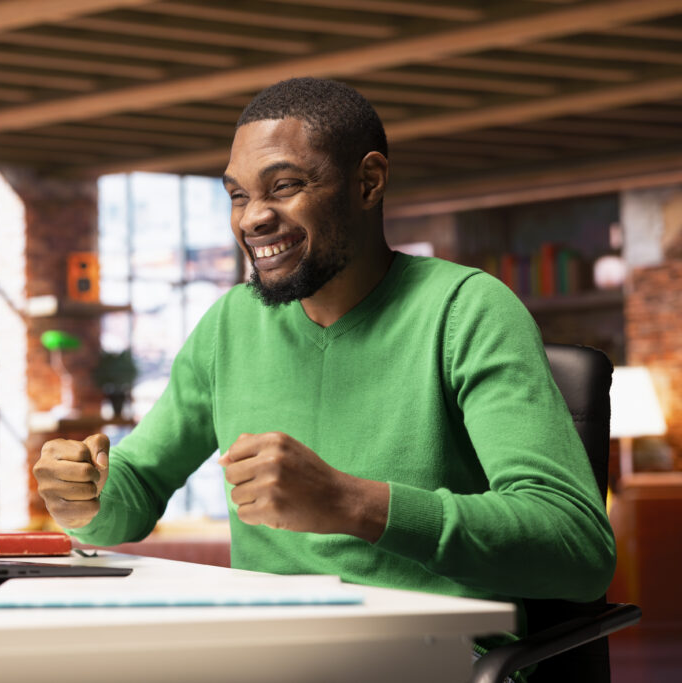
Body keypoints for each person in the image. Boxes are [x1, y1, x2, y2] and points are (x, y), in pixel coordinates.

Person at [33, 78, 615, 615]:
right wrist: (85, 496)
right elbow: (136, 487)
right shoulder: (231, 323)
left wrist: (351, 503)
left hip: (436, 653)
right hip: (269, 647)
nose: (253, 218)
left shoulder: (467, 310)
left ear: (369, 182)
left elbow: (578, 549)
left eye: (284, 186)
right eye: (238, 195)